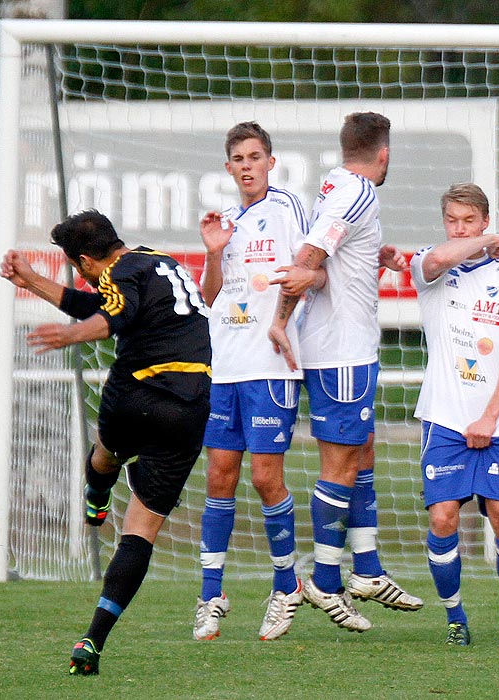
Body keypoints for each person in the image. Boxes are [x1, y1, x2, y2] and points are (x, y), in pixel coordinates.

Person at [0, 210, 211, 676]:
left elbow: (113, 316)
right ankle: (92, 640)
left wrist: (72, 335)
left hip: (137, 396)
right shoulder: (156, 261)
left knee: (107, 451)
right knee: (140, 530)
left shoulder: (116, 274)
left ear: (83, 262)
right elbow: (99, 307)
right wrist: (32, 279)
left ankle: (97, 494)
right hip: (190, 407)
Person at [269, 111, 422, 632]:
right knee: (339, 464)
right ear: (383, 154)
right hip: (341, 351)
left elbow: (327, 264)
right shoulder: (356, 192)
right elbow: (309, 259)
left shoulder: (337, 185)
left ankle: (369, 569)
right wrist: (278, 322)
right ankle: (328, 582)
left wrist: (367, 261)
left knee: (362, 452)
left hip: (343, 345)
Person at [193, 122, 320, 642]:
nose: (247, 166)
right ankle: (210, 594)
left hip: (270, 365)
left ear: (270, 162)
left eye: (255, 156)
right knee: (219, 477)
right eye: (238, 159)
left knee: (267, 479)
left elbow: (310, 270)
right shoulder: (223, 222)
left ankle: (286, 584)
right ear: (228, 168)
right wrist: (214, 252)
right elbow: (209, 296)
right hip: (226, 366)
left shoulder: (287, 208)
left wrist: (281, 319)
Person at [411, 183, 499, 647]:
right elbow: (440, 260)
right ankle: (455, 618)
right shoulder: (431, 263)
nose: (460, 228)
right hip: (443, 418)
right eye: (453, 221)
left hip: (498, 420)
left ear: (485, 219)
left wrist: (488, 417)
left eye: (470, 221)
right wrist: (482, 243)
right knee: (443, 516)